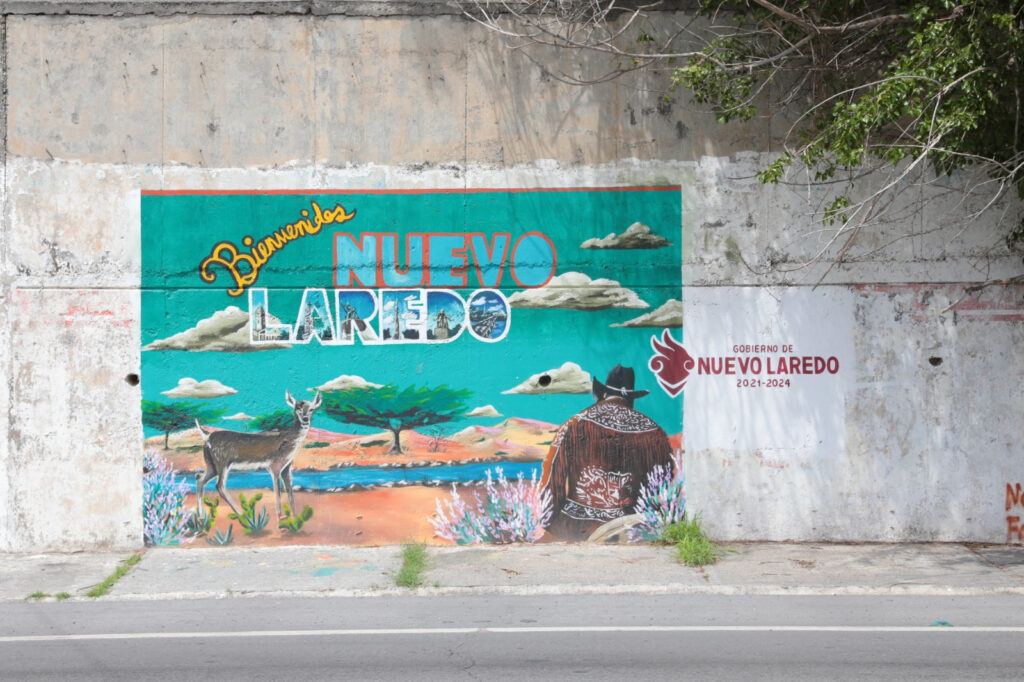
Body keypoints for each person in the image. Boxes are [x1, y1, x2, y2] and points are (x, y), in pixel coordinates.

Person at [540, 365, 673, 541]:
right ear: (631, 398)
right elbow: (663, 484)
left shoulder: (574, 424)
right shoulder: (655, 432)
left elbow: (553, 480)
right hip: (631, 527)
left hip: (575, 525)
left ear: (602, 393)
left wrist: (549, 523)